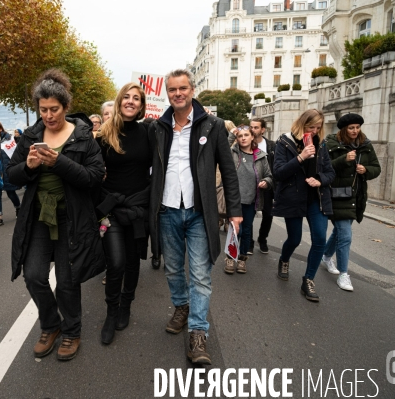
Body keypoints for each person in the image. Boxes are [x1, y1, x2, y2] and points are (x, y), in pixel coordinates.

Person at [6, 69, 105, 361]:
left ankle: (72, 331)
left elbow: (94, 177)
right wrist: (29, 166)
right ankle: (51, 325)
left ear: (65, 107)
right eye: (43, 109)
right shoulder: (31, 135)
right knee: (34, 275)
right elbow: (10, 175)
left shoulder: (83, 135)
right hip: (38, 216)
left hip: (71, 218)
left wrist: (59, 162)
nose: (48, 115)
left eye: (54, 109)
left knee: (66, 280)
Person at [149, 69, 242, 365]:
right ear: (167, 93)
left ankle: (198, 333)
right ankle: (181, 306)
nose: (178, 93)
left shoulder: (212, 126)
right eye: (173, 89)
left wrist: (235, 212)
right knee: (174, 270)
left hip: (199, 212)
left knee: (201, 275)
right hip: (167, 211)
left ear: (192, 90)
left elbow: (228, 170)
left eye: (183, 88)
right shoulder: (157, 128)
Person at [95, 82, 151, 345]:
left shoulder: (149, 133)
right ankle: (111, 312)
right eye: (126, 97)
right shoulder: (104, 134)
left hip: (138, 209)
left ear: (141, 105)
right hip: (112, 209)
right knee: (115, 262)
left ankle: (126, 304)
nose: (130, 101)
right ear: (119, 101)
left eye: (136, 98)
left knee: (131, 262)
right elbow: (92, 171)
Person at [272, 109, 335, 302]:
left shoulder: (321, 144)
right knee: (295, 238)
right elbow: (279, 172)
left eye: (318, 127)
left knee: (319, 240)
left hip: (316, 198)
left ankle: (308, 279)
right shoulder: (285, 142)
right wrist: (300, 157)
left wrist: (320, 180)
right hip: (293, 197)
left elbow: (330, 173)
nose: (315, 131)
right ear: (302, 124)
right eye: (311, 127)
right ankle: (284, 259)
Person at [321, 113, 381, 291]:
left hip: (356, 196)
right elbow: (323, 167)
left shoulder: (366, 145)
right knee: (345, 235)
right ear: (343, 129)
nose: (355, 131)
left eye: (357, 127)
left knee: (340, 232)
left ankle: (326, 256)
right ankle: (344, 275)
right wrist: (343, 160)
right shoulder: (330, 144)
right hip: (336, 195)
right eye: (351, 128)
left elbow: (377, 168)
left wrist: (366, 170)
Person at [225, 125, 273, 274]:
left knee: (246, 231)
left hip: (251, 200)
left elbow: (269, 175)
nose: (243, 138)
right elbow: (223, 148)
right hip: (234, 199)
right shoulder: (233, 153)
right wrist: (232, 135)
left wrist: (266, 181)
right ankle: (230, 257)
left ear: (252, 137)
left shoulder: (261, 156)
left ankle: (242, 258)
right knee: (235, 230)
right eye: (240, 136)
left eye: (246, 135)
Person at [250, 118, 276, 254]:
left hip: (267, 185)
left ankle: (262, 238)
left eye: (256, 127)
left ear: (263, 130)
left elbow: (275, 166)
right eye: (251, 127)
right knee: (248, 215)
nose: (253, 130)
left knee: (268, 214)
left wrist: (270, 182)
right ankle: (248, 241)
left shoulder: (271, 145)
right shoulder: (245, 143)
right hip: (249, 185)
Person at [0, 120, 20, 227]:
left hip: (6, 170)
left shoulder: (8, 139)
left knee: (11, 193)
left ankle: (18, 207)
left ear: (0, 128)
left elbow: (14, 155)